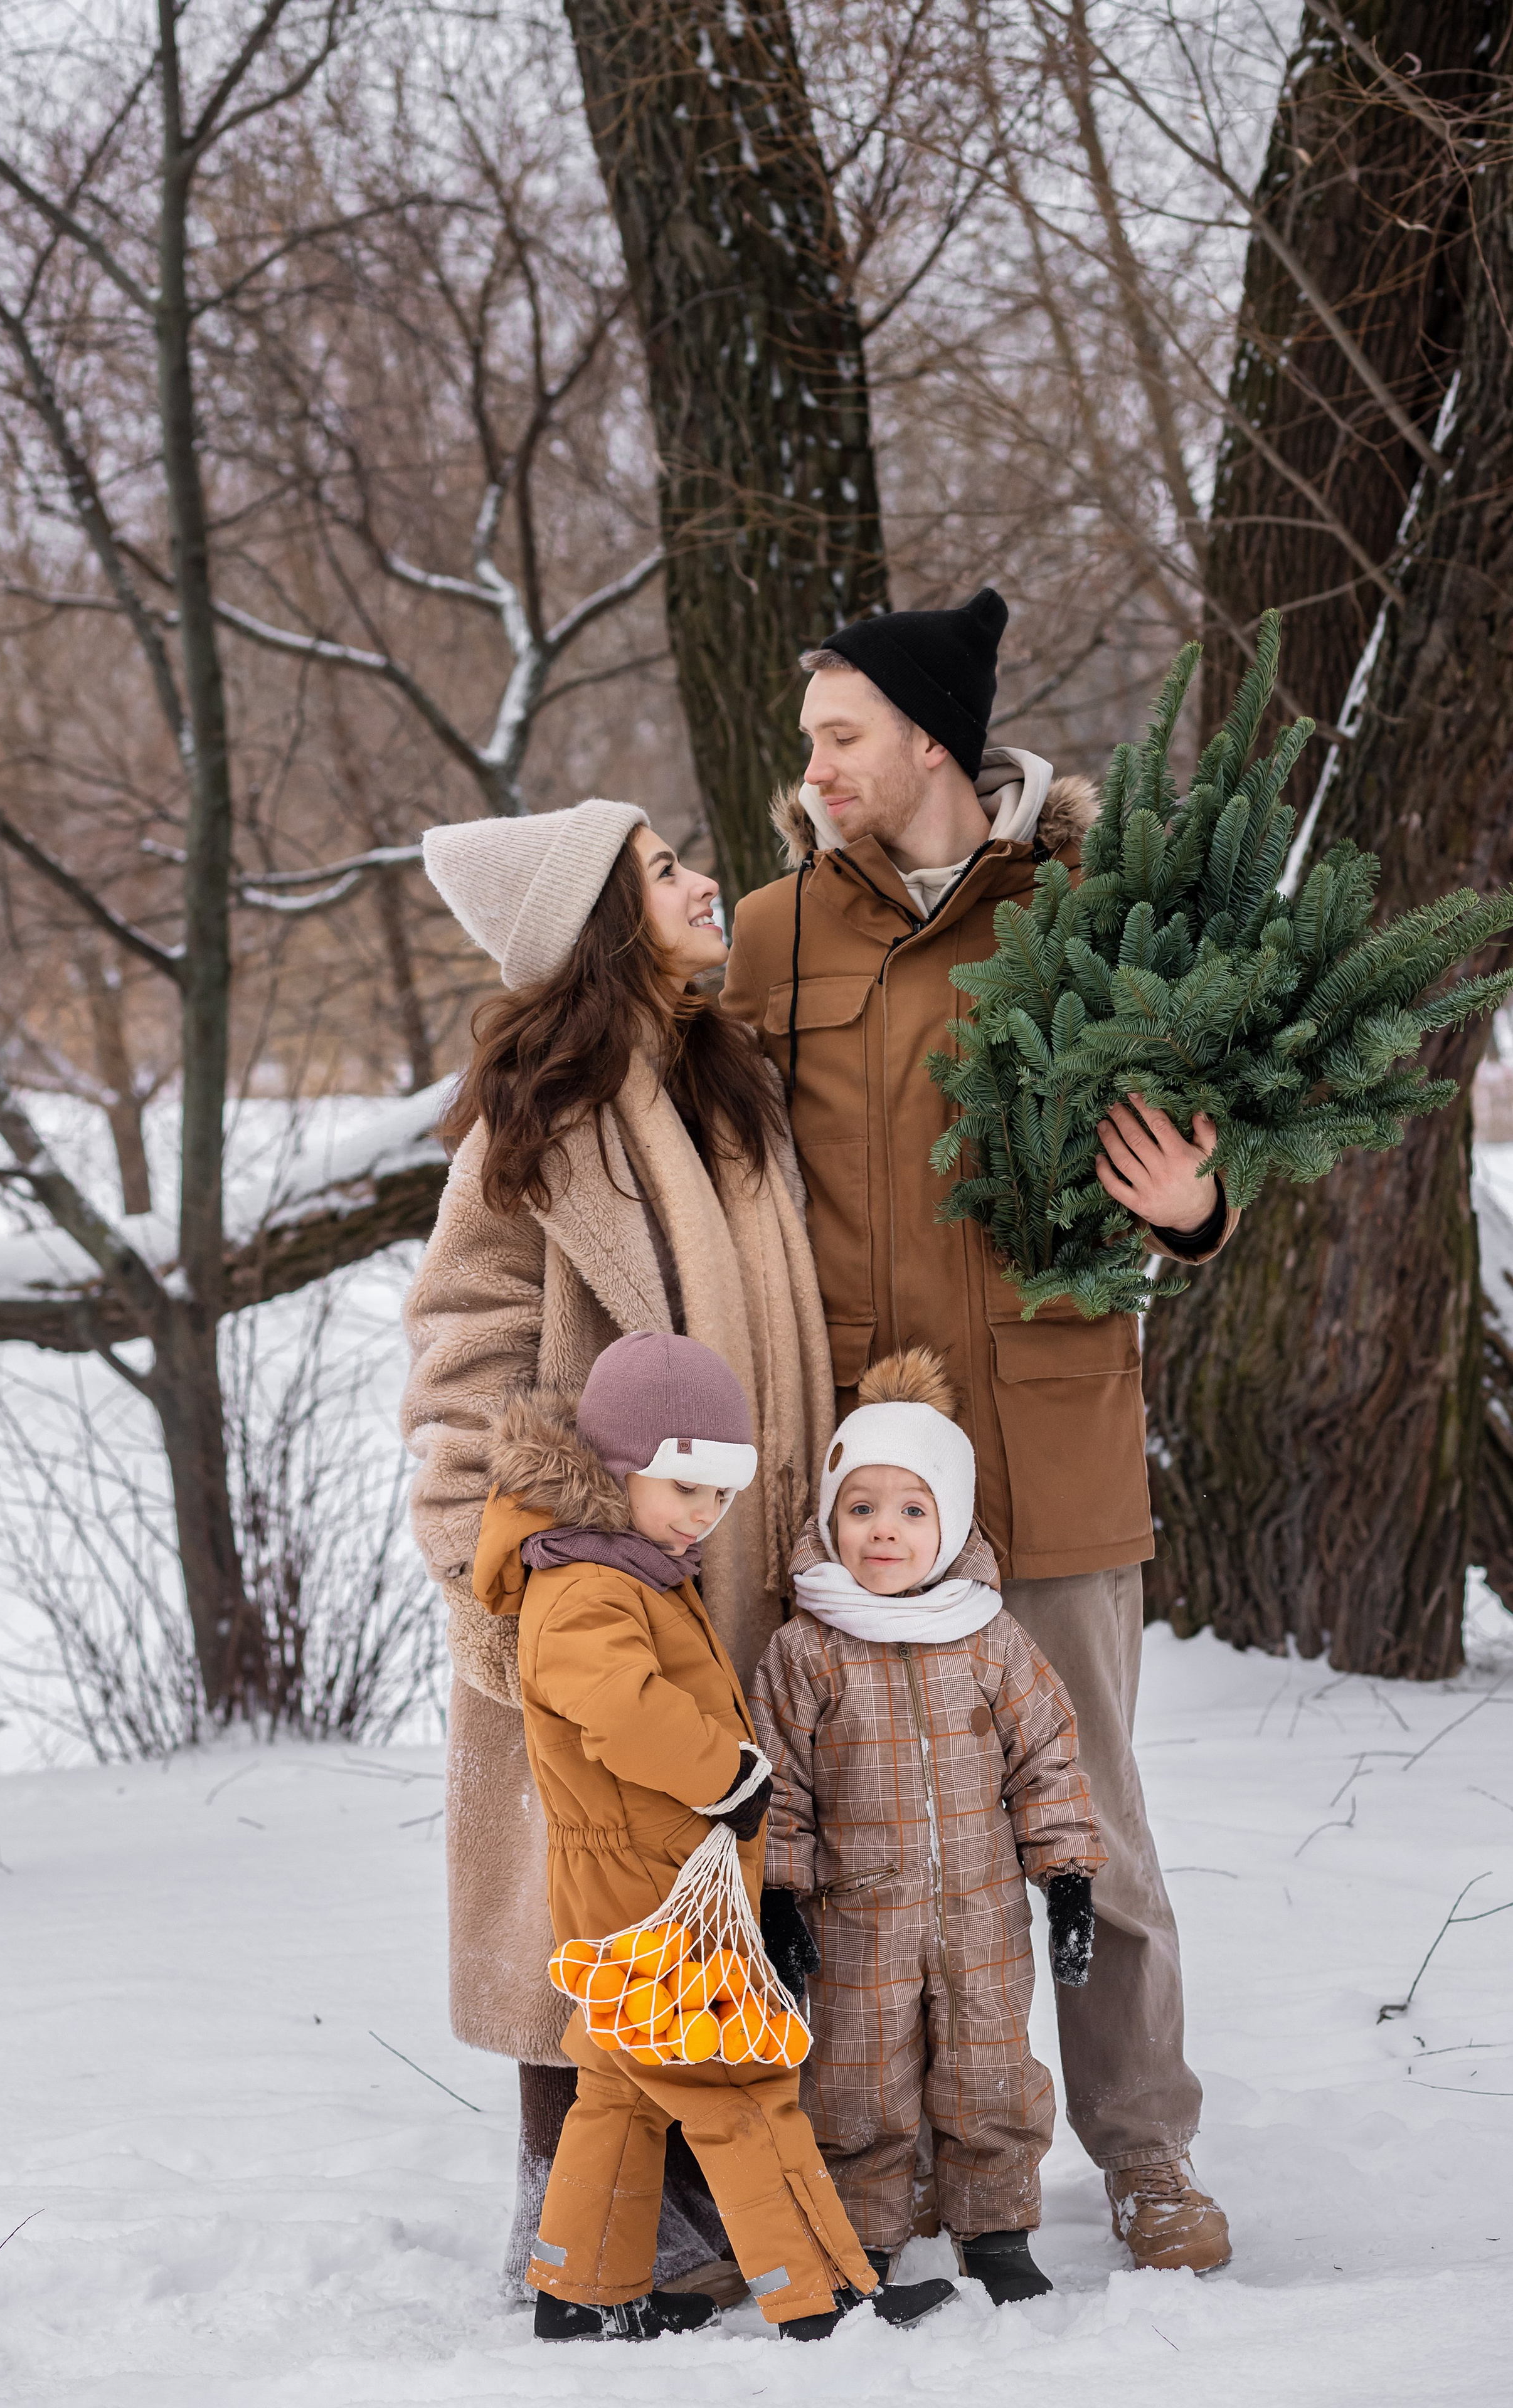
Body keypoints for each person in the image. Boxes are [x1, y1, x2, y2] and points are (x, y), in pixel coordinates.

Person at [721, 589, 1238, 2273]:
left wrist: (1198, 1211)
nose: (816, 767)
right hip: (859, 1469)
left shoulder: (1090, 915)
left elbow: (1225, 1130)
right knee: (863, 1841)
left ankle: (1147, 2154)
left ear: (932, 740)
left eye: (842, 736)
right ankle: (905, 2154)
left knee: (1088, 1816)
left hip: (1048, 1438)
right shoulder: (773, 934)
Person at [403, 800, 836, 2298]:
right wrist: (505, 1567)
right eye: (661, 872)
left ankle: (714, 2192)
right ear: (597, 919)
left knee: (710, 1883)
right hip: (592, 1591)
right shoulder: (537, 1122)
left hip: (737, 1564)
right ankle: (582, 2218)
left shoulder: (720, 1089)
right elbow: (464, 1360)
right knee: (579, 1900)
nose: (702, 880)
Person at [475, 1329, 957, 2341]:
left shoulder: (618, 1564)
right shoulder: (584, 1583)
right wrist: (730, 1772)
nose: (704, 1516)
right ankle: (822, 2295)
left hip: (649, 1878)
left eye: (720, 1495)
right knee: (738, 2081)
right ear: (616, 1468)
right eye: (683, 1487)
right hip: (645, 1882)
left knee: (621, 2087)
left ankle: (575, 2293)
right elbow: (617, 1705)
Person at [750, 1348, 1105, 2305]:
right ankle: (860, 2241)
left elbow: (1047, 1761)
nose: (885, 1532)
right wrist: (780, 1896)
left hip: (982, 1913)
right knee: (857, 2085)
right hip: (856, 1917)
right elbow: (776, 1788)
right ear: (832, 1520)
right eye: (861, 1509)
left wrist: (1066, 1876)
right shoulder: (803, 1648)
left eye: (912, 1510)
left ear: (948, 1523)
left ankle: (996, 2231)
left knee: (991, 2070)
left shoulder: (988, 1635)